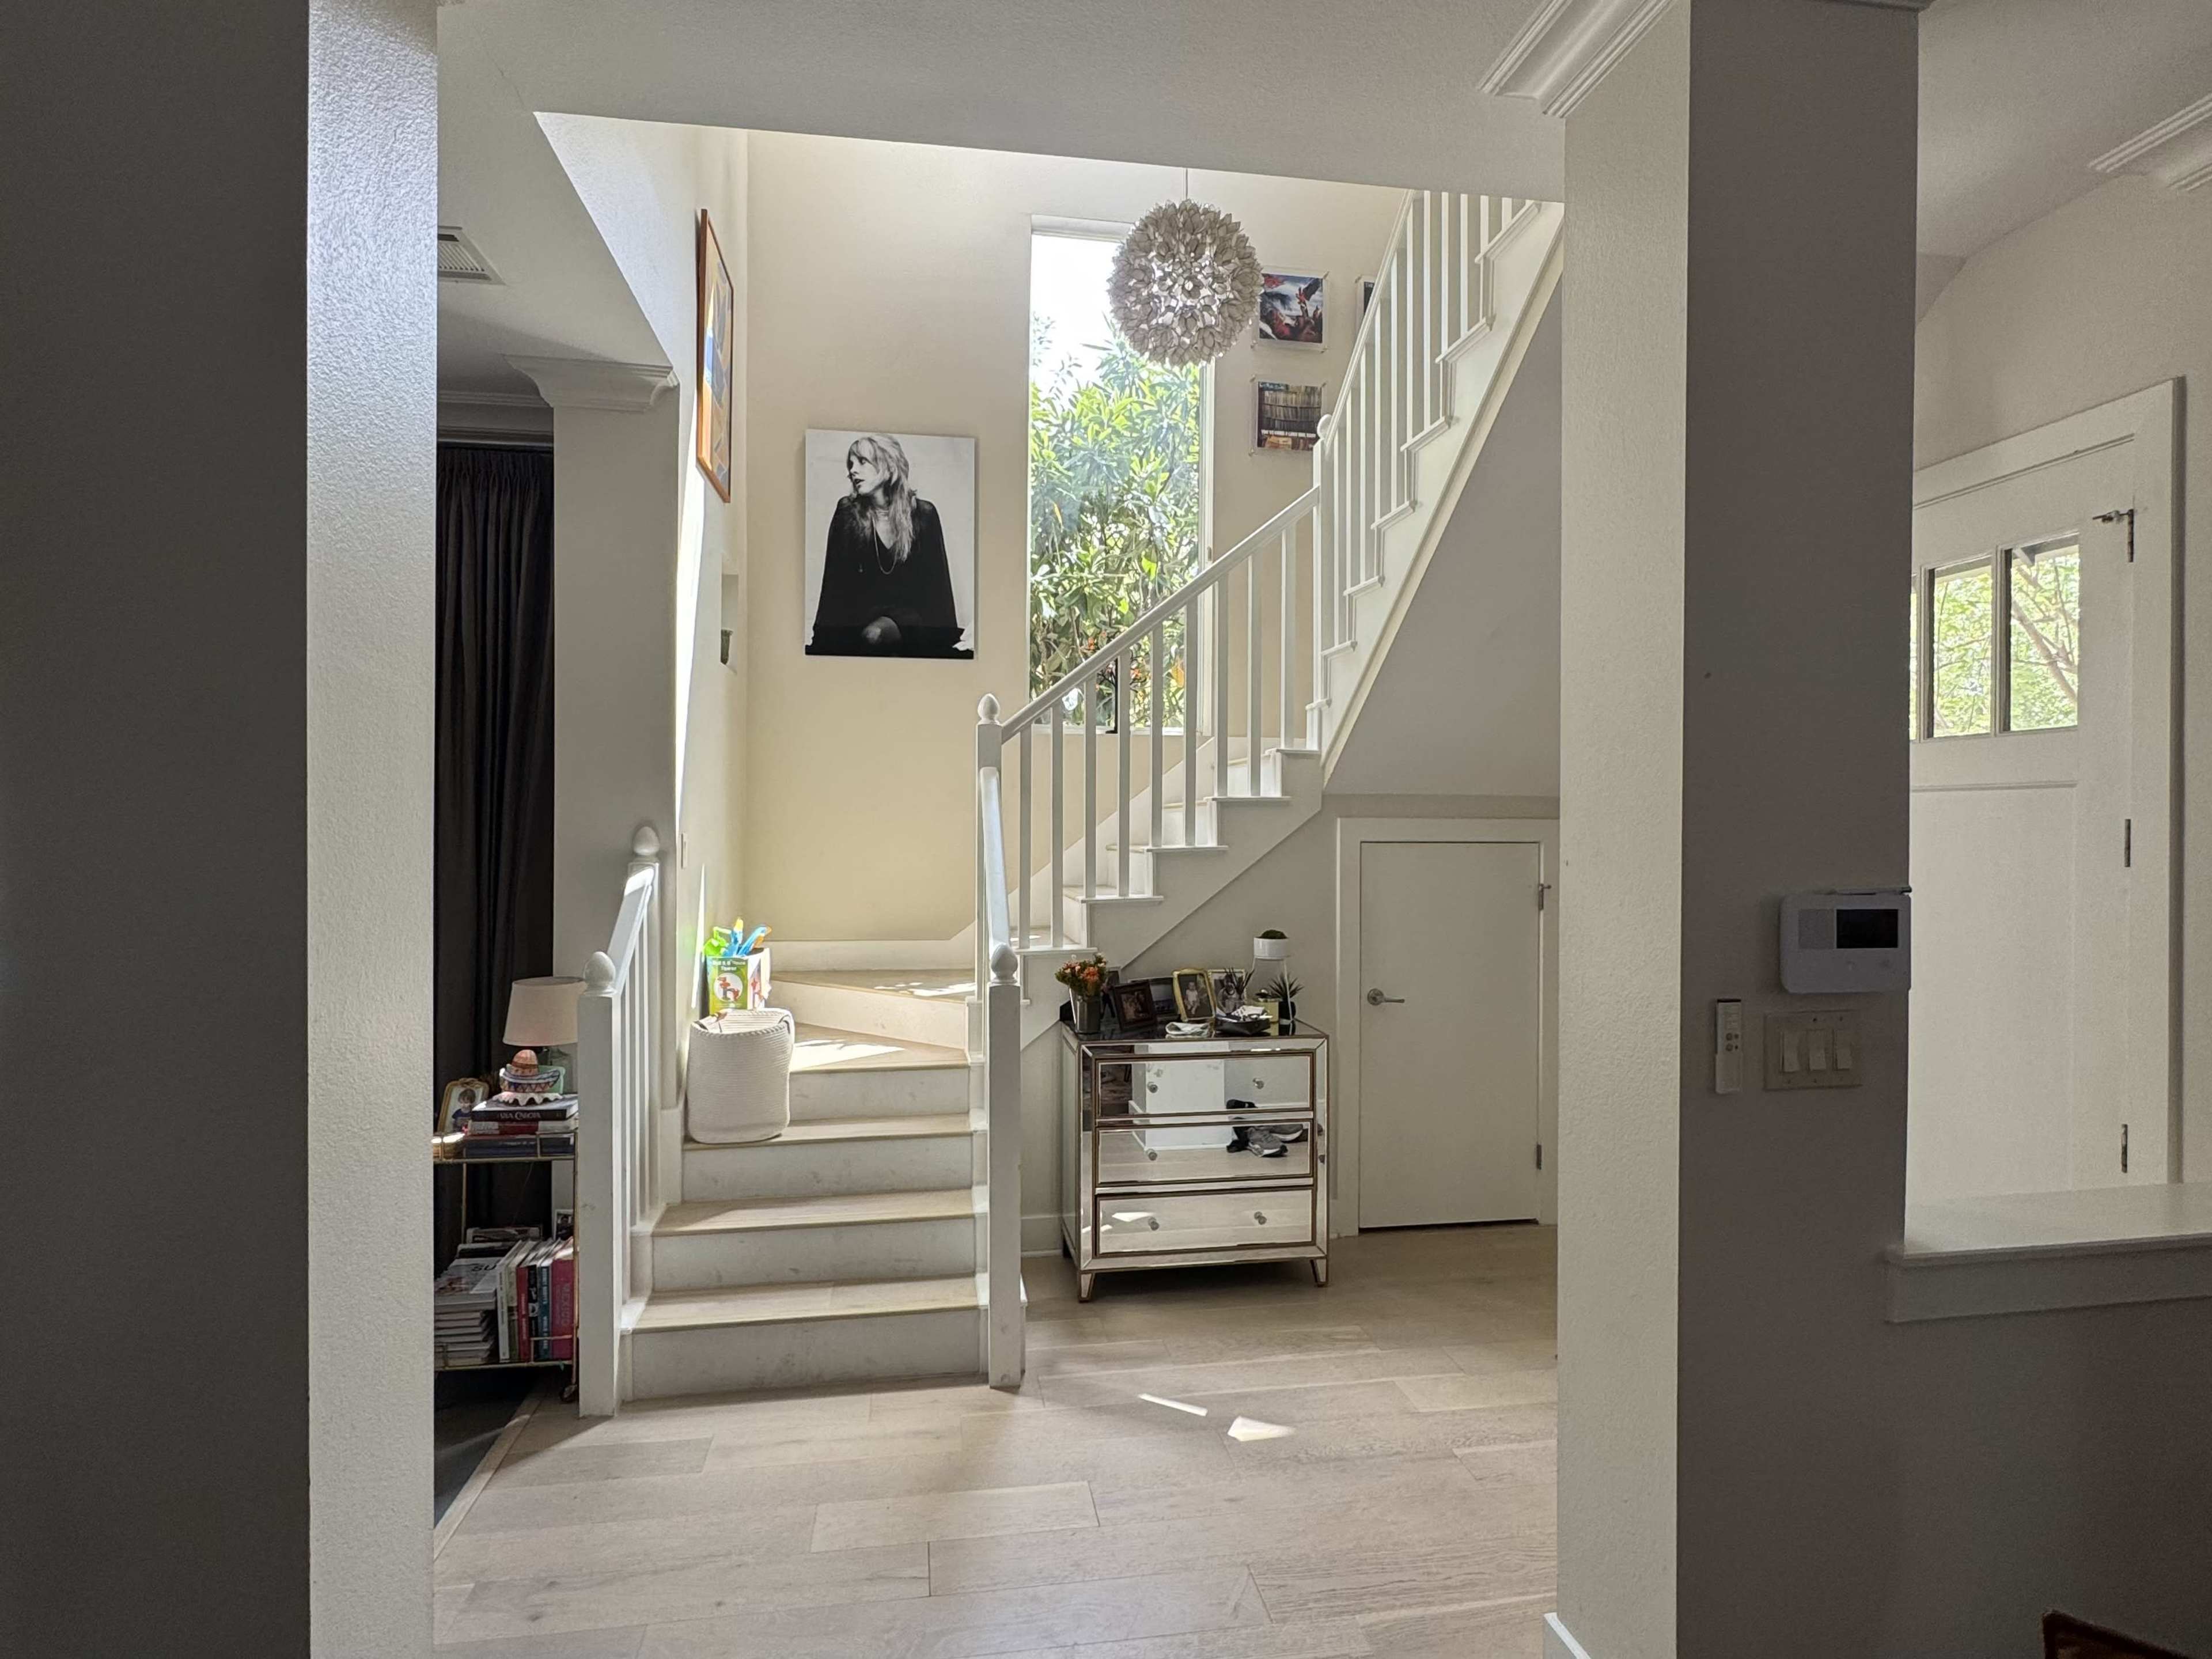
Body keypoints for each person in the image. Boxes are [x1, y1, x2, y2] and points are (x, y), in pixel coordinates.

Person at [807, 434, 969, 657]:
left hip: (912, 626)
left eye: (863, 462)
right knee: (870, 637)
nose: (853, 471)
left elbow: (939, 596)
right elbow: (833, 592)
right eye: (851, 464)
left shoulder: (924, 515)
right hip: (860, 625)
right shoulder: (848, 514)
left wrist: (944, 650)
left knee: (878, 635)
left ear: (890, 466)